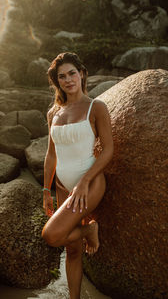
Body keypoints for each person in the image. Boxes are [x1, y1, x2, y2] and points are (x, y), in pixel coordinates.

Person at [42, 52, 113, 299]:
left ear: (81, 73)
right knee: (72, 251)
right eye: (62, 76)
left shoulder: (97, 107)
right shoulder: (54, 113)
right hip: (62, 186)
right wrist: (46, 190)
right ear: (57, 81)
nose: (68, 79)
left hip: (90, 184)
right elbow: (51, 155)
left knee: (51, 235)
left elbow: (109, 150)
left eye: (72, 73)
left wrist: (83, 181)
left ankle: (89, 230)